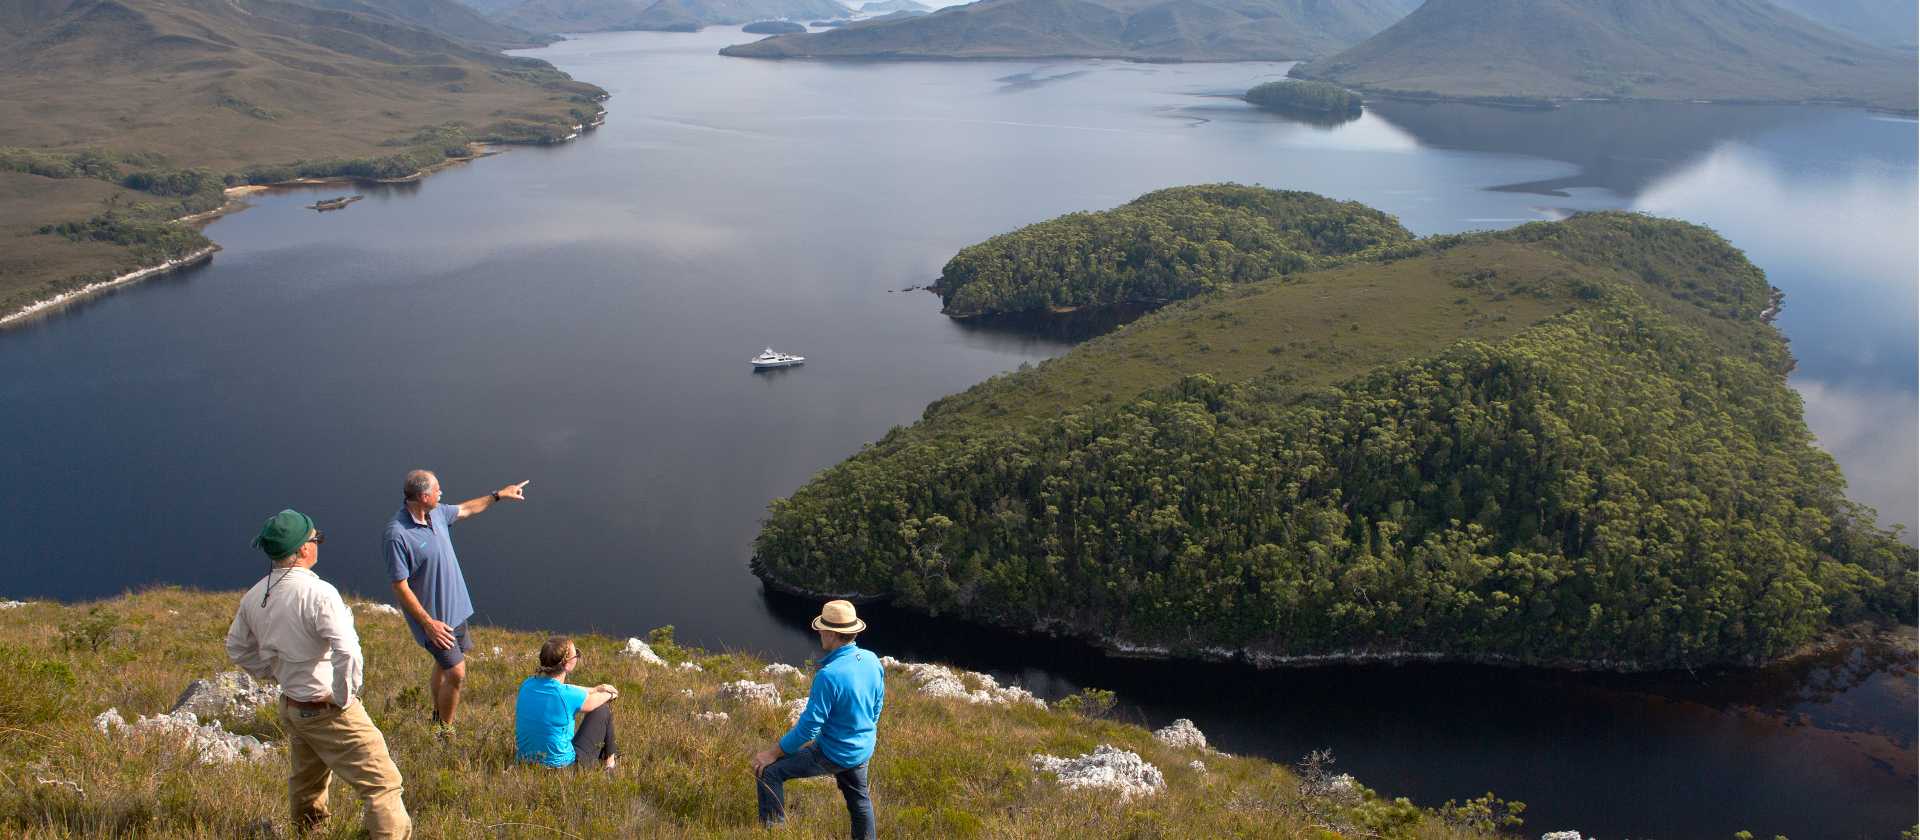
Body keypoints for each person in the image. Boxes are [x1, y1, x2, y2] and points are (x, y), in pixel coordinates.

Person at [226, 509, 412, 839]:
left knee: (307, 783)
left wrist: (275, 673)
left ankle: (308, 833)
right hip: (327, 708)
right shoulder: (318, 593)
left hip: (294, 706)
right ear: (302, 549)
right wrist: (342, 696)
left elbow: (237, 648)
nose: (317, 543)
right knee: (383, 786)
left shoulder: (255, 597)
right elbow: (348, 651)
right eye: (316, 538)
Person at [384, 469, 528, 732]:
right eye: (437, 489)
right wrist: (428, 624)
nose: (442, 492)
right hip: (435, 622)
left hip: (457, 610)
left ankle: (437, 717)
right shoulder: (398, 534)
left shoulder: (436, 513)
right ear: (424, 496)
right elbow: (399, 585)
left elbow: (465, 509)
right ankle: (444, 732)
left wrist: (498, 495)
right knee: (457, 673)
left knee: (444, 664)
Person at [750, 600, 885, 839]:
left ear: (833, 633)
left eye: (822, 628)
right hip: (863, 748)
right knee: (860, 800)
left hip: (833, 752)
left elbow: (808, 729)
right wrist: (861, 734)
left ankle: (775, 834)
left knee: (769, 772)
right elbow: (877, 705)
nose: (819, 631)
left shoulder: (829, 676)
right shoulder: (872, 660)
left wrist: (772, 753)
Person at [513, 637, 620, 770]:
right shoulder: (566, 695)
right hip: (563, 769)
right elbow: (592, 703)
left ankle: (609, 761)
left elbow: (566, 689)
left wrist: (595, 689)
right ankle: (610, 765)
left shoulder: (527, 684)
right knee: (602, 710)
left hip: (525, 765)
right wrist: (611, 694)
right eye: (577, 654)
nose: (577, 657)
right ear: (567, 664)